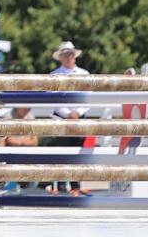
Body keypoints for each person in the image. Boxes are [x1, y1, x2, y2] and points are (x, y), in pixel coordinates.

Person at [48, 41, 90, 196]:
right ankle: (59, 185)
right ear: (60, 57)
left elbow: (89, 98)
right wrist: (68, 113)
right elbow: (53, 99)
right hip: (62, 117)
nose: (69, 57)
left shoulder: (84, 74)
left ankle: (75, 186)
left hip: (78, 117)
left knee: (77, 152)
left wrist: (77, 112)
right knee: (61, 152)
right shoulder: (54, 75)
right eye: (66, 54)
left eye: (70, 54)